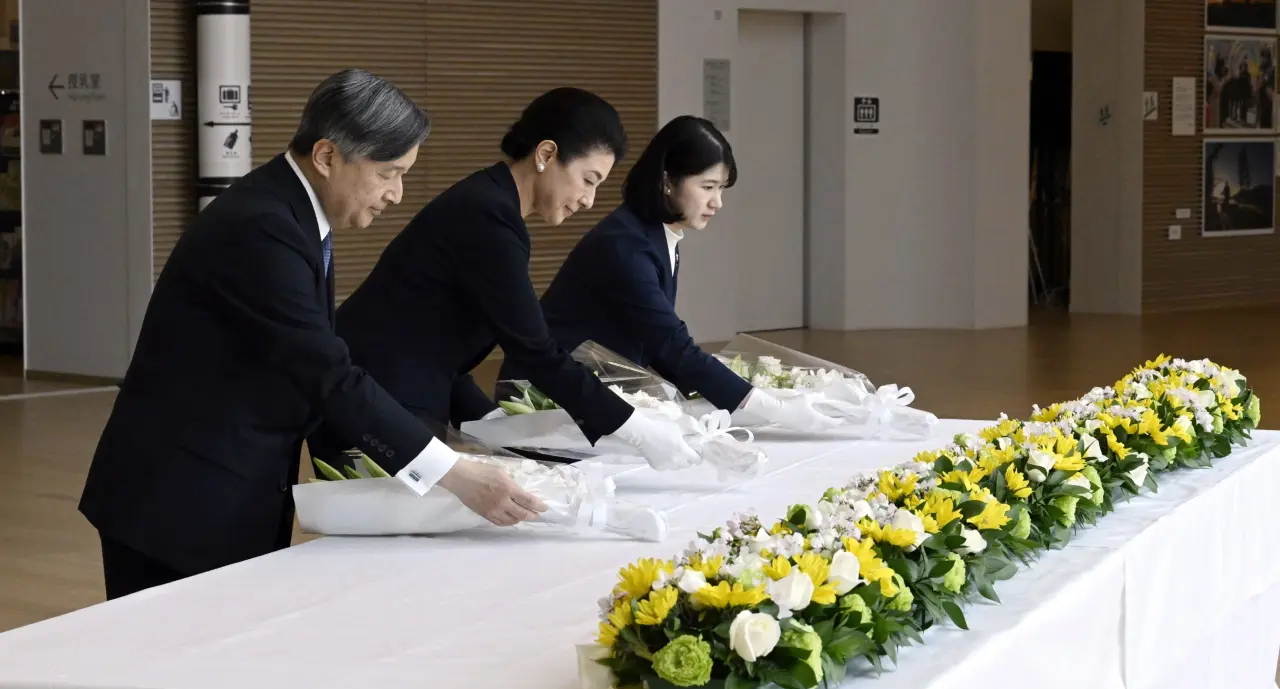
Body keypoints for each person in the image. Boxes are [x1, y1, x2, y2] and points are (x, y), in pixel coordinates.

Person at [79, 69, 546, 602]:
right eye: (388, 173)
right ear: (327, 156)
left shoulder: (292, 213)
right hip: (177, 497)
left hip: (227, 487)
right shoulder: (261, 227)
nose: (396, 194)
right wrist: (454, 474)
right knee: (172, 646)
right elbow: (327, 374)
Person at [307, 88, 700, 472]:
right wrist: (635, 429)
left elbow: (434, 342)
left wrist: (493, 422)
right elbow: (535, 350)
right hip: (372, 399)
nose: (589, 199)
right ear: (546, 155)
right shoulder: (488, 216)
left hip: (396, 387)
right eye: (588, 179)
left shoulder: (492, 205)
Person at [499, 115, 838, 432]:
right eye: (707, 187)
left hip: (590, 391)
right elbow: (671, 345)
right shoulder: (626, 245)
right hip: (542, 400)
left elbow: (660, 345)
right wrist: (772, 408)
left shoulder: (653, 233)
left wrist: (737, 397)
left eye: (722, 188)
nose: (717, 202)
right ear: (667, 182)